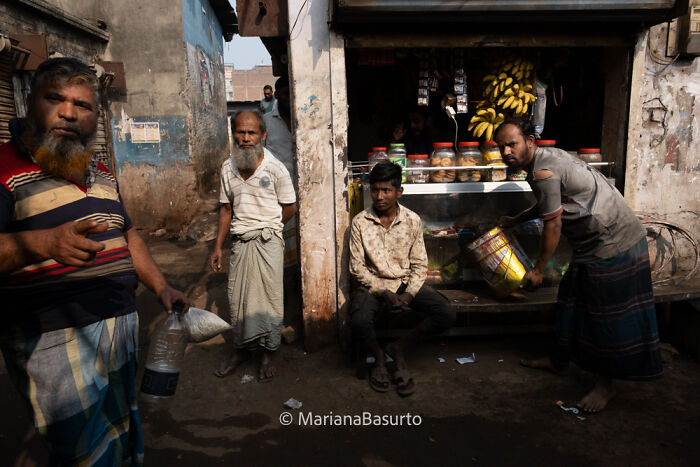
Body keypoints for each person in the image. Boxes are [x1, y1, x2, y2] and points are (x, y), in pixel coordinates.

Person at [0, 57, 189, 465]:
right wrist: (40, 243)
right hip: (53, 336)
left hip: (119, 325)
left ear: (96, 116)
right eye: (55, 99)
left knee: (117, 432)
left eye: (83, 105)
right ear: (31, 102)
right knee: (83, 450)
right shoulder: (5, 168)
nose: (68, 113)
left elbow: (128, 232)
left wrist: (160, 286)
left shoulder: (99, 171)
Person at [494, 117, 662, 413]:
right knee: (570, 298)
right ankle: (560, 360)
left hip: (613, 242)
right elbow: (550, 203)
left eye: (512, 144)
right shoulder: (543, 161)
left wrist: (538, 269)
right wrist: (516, 220)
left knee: (605, 316)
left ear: (529, 143)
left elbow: (553, 225)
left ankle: (606, 384)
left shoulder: (543, 170)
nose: (506, 151)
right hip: (592, 244)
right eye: (501, 146)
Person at [350, 161, 455, 396]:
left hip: (405, 284)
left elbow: (419, 265)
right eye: (375, 189)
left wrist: (407, 295)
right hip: (373, 286)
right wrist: (384, 292)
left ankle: (398, 348)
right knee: (358, 320)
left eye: (386, 190)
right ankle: (378, 358)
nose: (379, 196)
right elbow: (357, 269)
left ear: (399, 192)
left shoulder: (412, 220)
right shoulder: (359, 223)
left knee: (446, 313)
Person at [210, 110, 297, 382]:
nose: (246, 138)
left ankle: (268, 351)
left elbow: (290, 206)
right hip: (240, 242)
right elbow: (226, 210)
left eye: (252, 133)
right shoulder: (227, 168)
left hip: (268, 243)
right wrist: (217, 247)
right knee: (238, 299)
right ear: (233, 134)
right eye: (241, 132)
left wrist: (270, 226)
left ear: (263, 135)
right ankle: (241, 349)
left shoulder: (276, 168)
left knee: (270, 301)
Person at [263, 75, 302, 329]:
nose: (288, 98)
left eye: (292, 92)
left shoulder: (305, 117)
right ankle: (281, 313)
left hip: (306, 198)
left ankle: (299, 308)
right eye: (284, 94)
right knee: (282, 258)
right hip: (279, 201)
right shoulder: (266, 122)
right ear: (277, 95)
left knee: (302, 256)